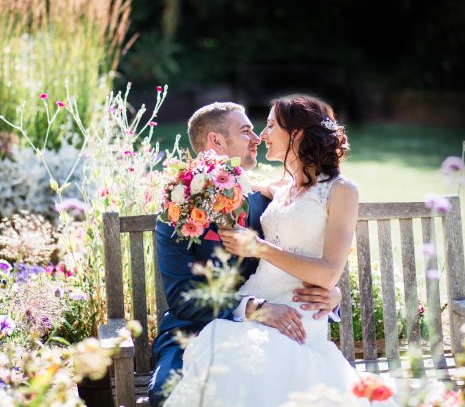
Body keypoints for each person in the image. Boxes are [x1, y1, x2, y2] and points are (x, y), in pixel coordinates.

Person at [163, 95, 398, 406]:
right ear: (215, 140)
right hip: (237, 316)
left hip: (295, 313)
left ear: (297, 134)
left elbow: (325, 267)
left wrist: (333, 293)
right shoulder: (270, 191)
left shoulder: (337, 191)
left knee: (256, 369)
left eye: (269, 125)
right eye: (248, 130)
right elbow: (182, 293)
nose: (260, 136)